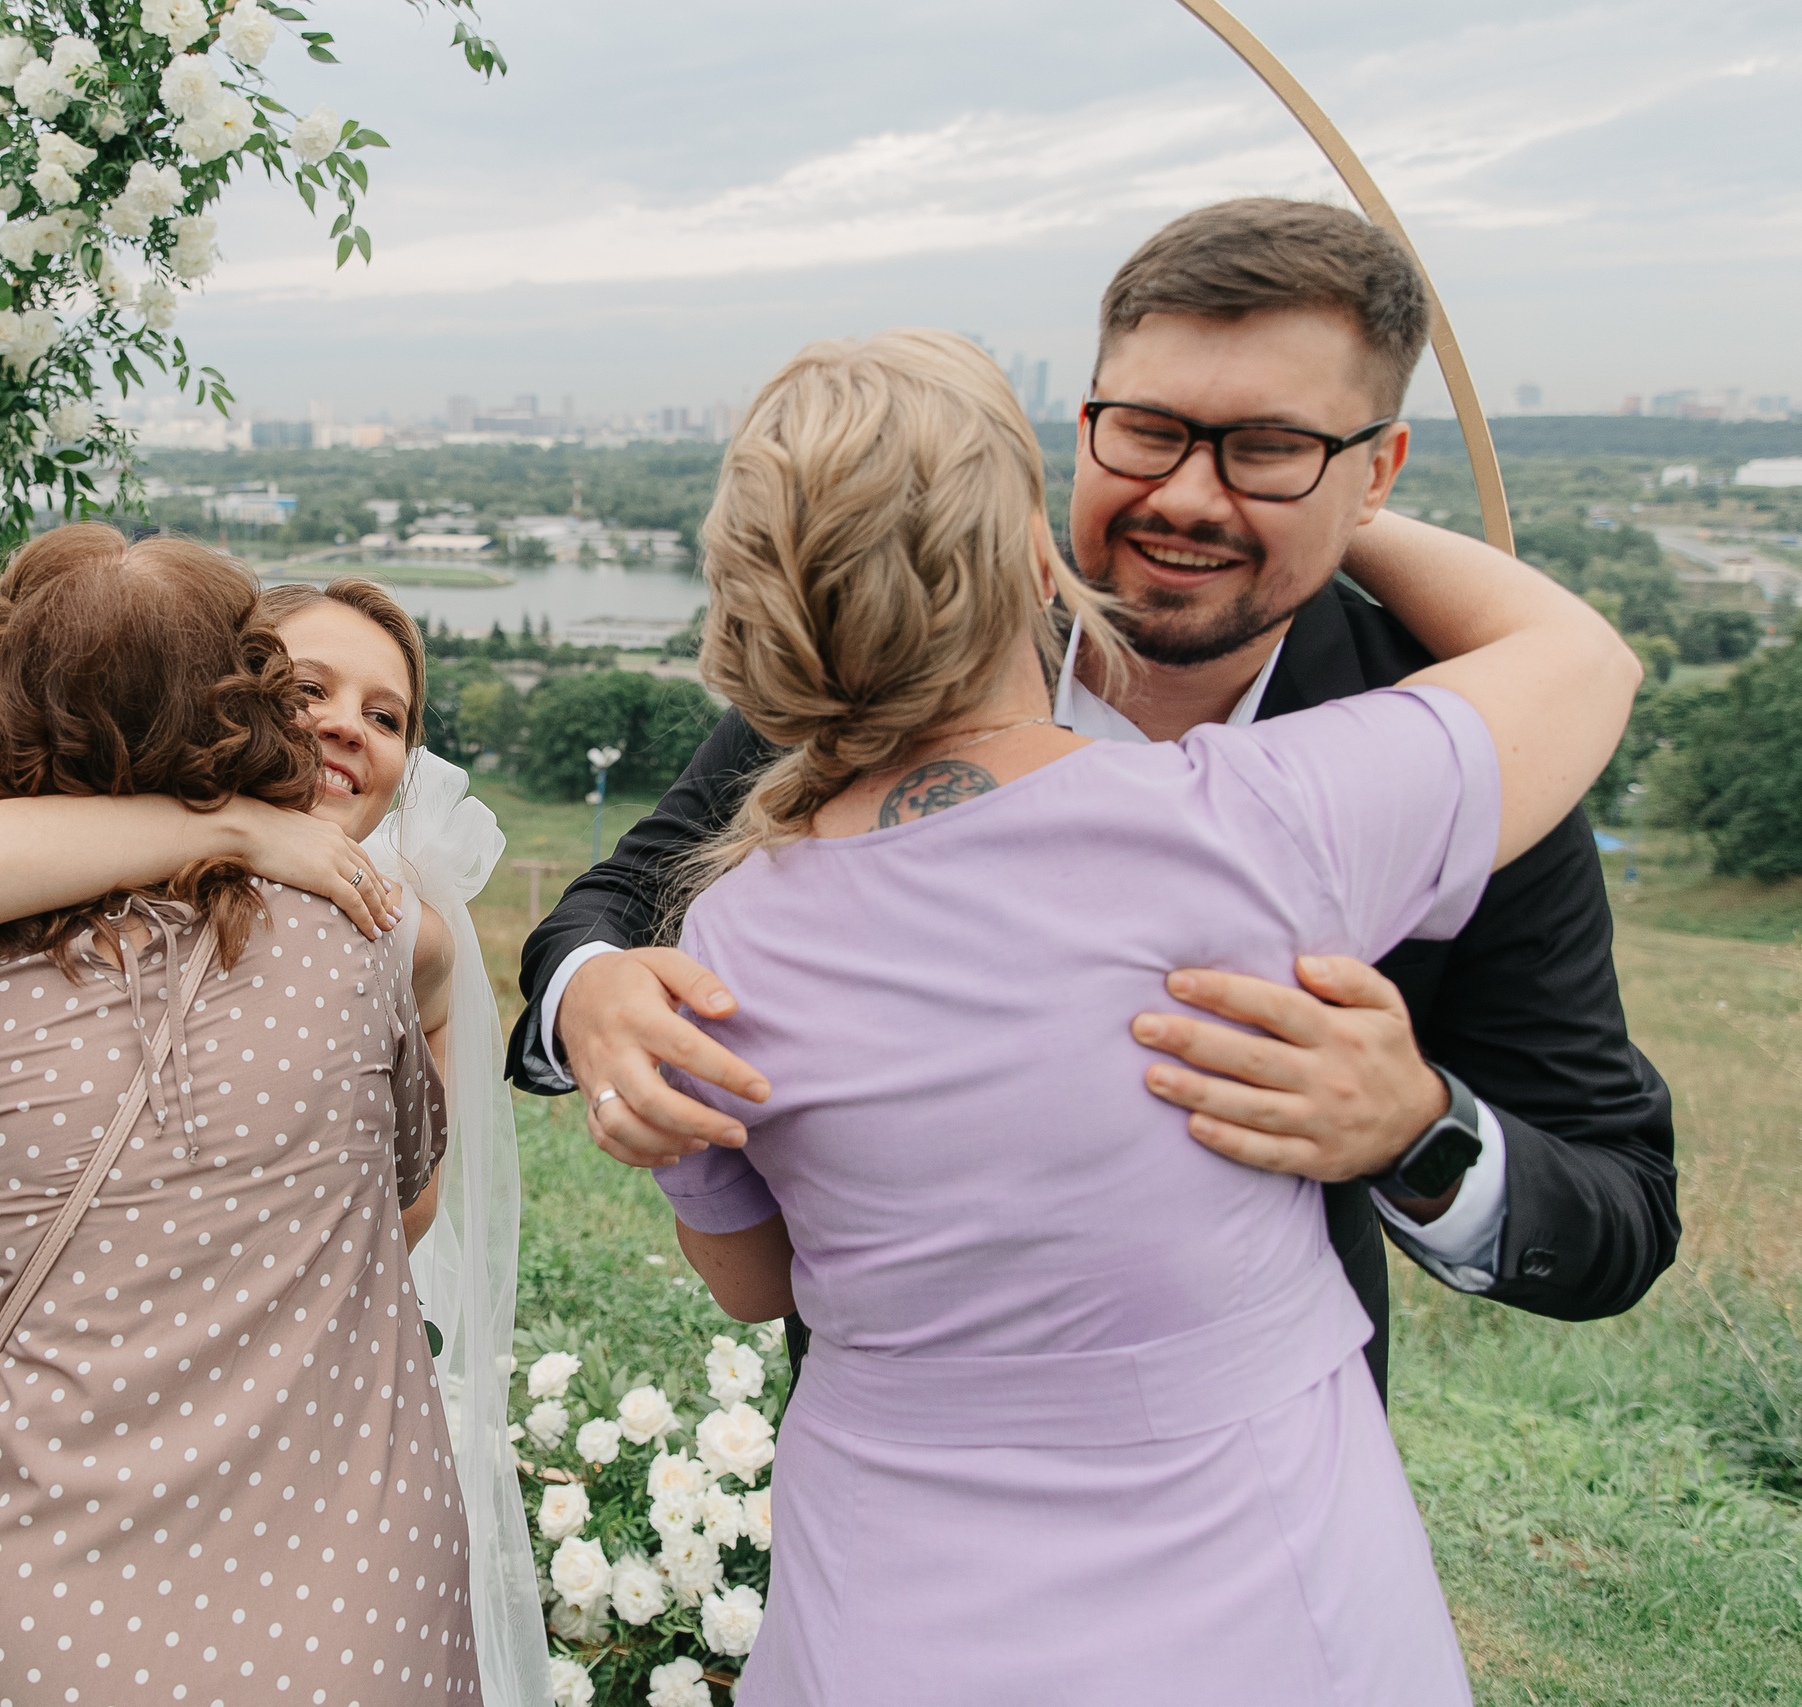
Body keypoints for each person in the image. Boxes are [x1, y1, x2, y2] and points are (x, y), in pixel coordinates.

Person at [511, 198, 1677, 1393]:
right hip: (896, 1441)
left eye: (1268, 446)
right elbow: (615, 902)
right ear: (1079, 429)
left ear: (1377, 468)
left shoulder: (1456, 735)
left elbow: (1619, 1208)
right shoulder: (912, 639)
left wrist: (1412, 1132)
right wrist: (588, 996)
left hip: (1244, 1477)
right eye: (1148, 431)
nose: (1186, 496)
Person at [651, 327, 1636, 1701]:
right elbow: (1582, 661)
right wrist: (1333, 502)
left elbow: (756, 1281)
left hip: (890, 1600)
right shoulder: (1257, 823)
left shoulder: (728, 934)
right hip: (1257, 1588)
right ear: (1034, 560)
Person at [0, 576, 544, 1706]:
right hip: (339, 1623)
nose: (342, 730)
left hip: (26, 1609)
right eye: (308, 690)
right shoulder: (352, 952)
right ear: (230, 709)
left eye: (386, 716)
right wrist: (244, 832)